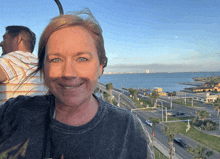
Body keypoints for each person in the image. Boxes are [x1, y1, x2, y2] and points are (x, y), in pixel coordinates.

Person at [0, 9, 154, 159]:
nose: (68, 73)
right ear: (43, 69)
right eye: (56, 59)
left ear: (100, 66)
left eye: (82, 59)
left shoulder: (127, 130)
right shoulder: (15, 112)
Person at [0, 26, 47, 105]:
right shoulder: (42, 65)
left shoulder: (9, 60)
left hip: (10, 116)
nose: (1, 44)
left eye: (4, 39)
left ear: (18, 39)